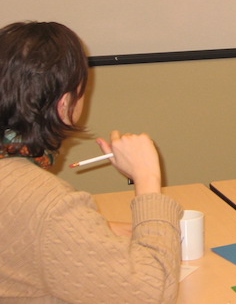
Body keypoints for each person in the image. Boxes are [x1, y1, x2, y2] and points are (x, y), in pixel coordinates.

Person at [0, 21, 182, 303]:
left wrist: (92, 230)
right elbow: (152, 292)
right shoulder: (50, 205)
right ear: (64, 104)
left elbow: (23, 232)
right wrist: (147, 178)